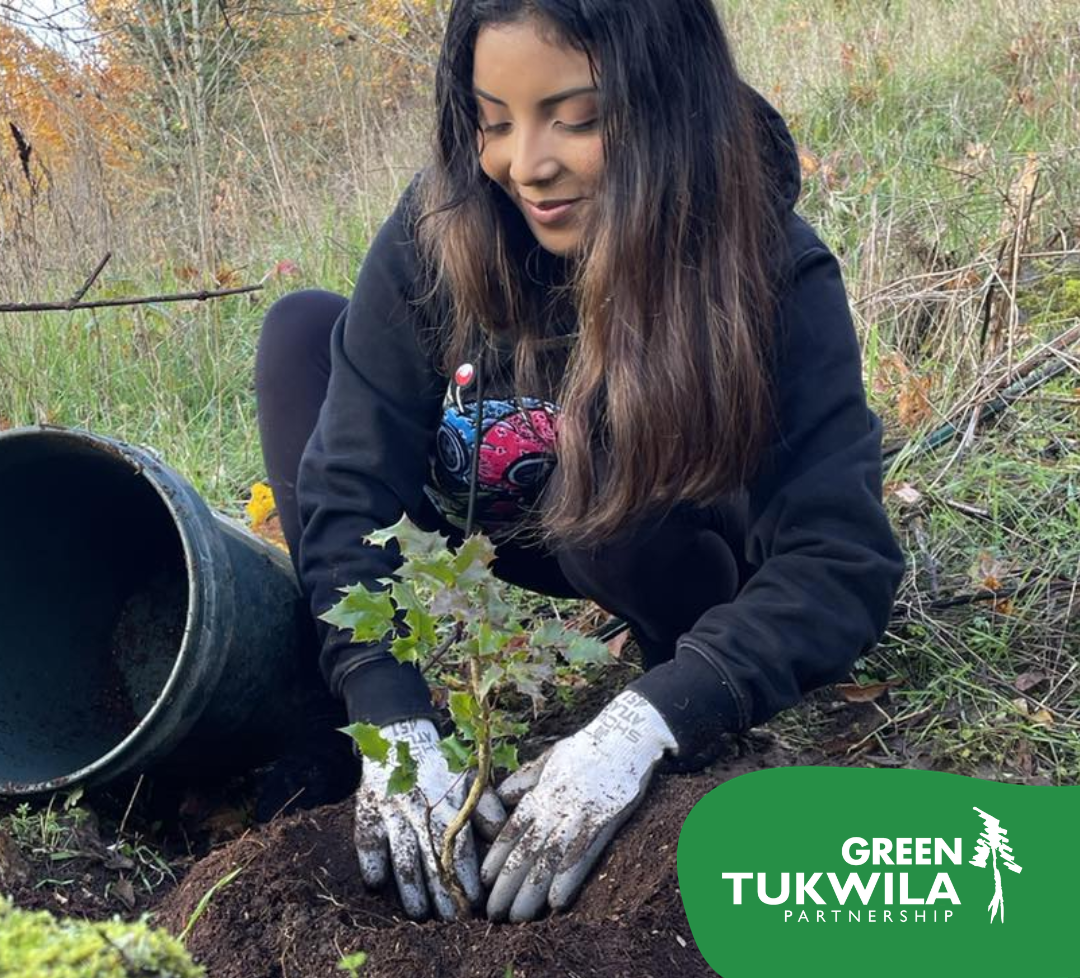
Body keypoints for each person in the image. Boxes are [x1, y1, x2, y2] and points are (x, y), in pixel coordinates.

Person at [254, 0, 905, 925]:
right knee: (300, 338)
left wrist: (648, 723)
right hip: (503, 507)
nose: (529, 165)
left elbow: (842, 559)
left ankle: (673, 656)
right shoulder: (445, 222)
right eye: (493, 120)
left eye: (580, 118)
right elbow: (350, 481)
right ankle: (333, 728)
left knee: (609, 502)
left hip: (662, 535)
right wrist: (387, 709)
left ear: (665, 105)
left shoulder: (770, 269)